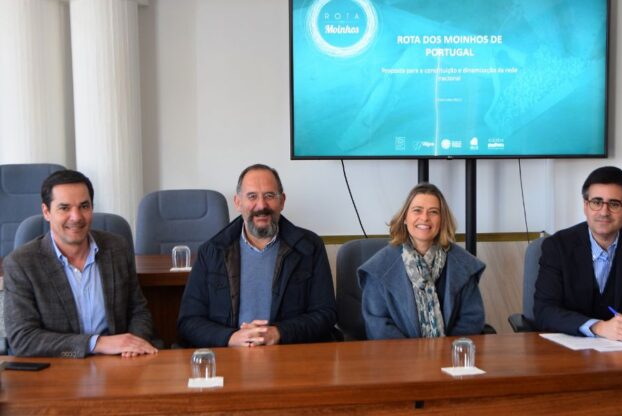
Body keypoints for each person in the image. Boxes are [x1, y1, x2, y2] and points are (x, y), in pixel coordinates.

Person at [177, 164, 336, 347]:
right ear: (238, 203)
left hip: (289, 354)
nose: (261, 205)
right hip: (231, 356)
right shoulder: (212, 251)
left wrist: (279, 333)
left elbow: (326, 314)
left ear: (282, 201)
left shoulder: (309, 247)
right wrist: (231, 338)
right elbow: (189, 321)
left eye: (269, 196)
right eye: (252, 196)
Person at [3, 170, 157, 358]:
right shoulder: (21, 264)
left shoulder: (117, 248)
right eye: (64, 208)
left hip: (119, 362)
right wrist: (97, 344)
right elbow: (23, 339)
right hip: (59, 366)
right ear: (46, 212)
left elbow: (138, 311)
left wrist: (133, 345)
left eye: (84, 206)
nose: (76, 217)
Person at [534, 166, 622, 341]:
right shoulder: (558, 245)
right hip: (569, 348)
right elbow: (544, 310)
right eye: (596, 202)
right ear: (585, 206)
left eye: (614, 204)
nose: (604, 212)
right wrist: (598, 327)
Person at [358, 183, 486, 339]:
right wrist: (416, 353)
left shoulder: (463, 264)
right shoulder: (378, 268)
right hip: (397, 354)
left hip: (451, 352)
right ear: (405, 218)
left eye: (433, 212)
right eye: (417, 210)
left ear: (442, 220)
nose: (425, 218)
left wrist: (445, 350)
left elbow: (472, 319)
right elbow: (378, 326)